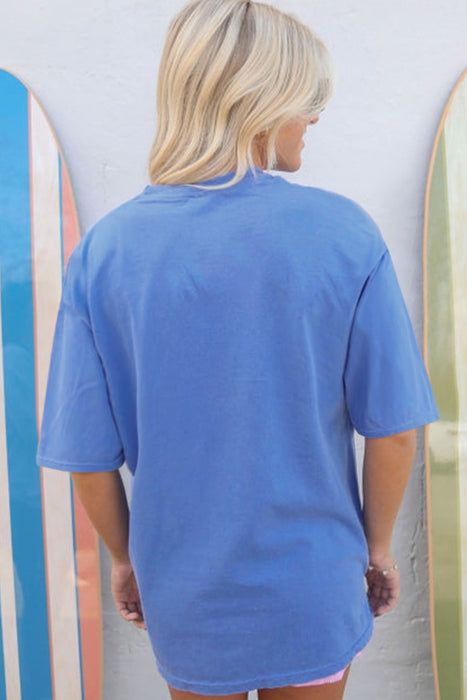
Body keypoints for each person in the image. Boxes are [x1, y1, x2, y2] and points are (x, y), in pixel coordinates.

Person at [36, 1, 440, 699]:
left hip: (184, 590)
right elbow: (395, 432)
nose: (316, 117)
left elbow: (87, 456)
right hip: (314, 581)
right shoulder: (344, 235)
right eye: (307, 98)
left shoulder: (105, 253)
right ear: (260, 100)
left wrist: (126, 559)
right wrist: (375, 551)